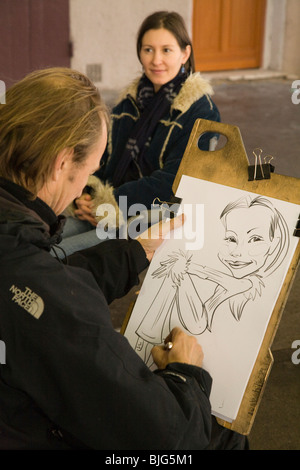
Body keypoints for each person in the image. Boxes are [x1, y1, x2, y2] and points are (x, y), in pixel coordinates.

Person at [0, 68, 248, 450]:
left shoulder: (17, 244)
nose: (86, 183)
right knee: (221, 436)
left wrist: (135, 251)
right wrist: (186, 375)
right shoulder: (55, 309)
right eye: (90, 169)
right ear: (62, 164)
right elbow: (173, 437)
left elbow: (41, 281)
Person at [60, 10, 221, 255]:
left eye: (166, 50)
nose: (156, 60)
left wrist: (110, 205)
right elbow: (100, 158)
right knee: (48, 236)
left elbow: (175, 183)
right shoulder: (128, 103)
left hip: (158, 213)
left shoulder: (201, 112)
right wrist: (88, 195)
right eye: (148, 49)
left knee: (61, 253)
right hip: (109, 204)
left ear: (185, 53)